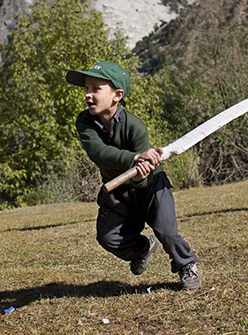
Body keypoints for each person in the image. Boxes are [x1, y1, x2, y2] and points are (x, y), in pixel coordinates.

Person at [66, 61, 200, 290]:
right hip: (118, 190)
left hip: (151, 187)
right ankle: (141, 248)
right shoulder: (85, 121)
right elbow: (98, 153)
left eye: (95, 89)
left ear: (117, 95)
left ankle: (186, 265)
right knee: (108, 237)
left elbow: (143, 178)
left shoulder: (135, 127)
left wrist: (139, 175)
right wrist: (133, 159)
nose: (88, 95)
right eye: (86, 89)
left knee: (167, 232)